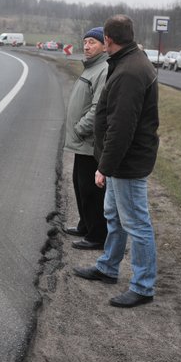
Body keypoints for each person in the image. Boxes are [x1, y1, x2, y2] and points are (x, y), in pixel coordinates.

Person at [73, 15, 160, 308]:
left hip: (128, 161)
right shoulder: (128, 61)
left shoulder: (129, 72)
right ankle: (108, 267)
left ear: (108, 39)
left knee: (136, 222)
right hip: (124, 158)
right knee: (114, 214)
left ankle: (143, 286)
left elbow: (122, 126)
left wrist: (105, 166)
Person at [62, 27, 109, 250]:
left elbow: (98, 107)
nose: (87, 46)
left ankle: (97, 235)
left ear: (104, 45)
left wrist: (81, 128)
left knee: (91, 191)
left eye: (93, 42)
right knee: (80, 186)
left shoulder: (103, 69)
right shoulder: (91, 68)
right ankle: (85, 225)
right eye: (86, 42)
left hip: (90, 142)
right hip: (81, 142)